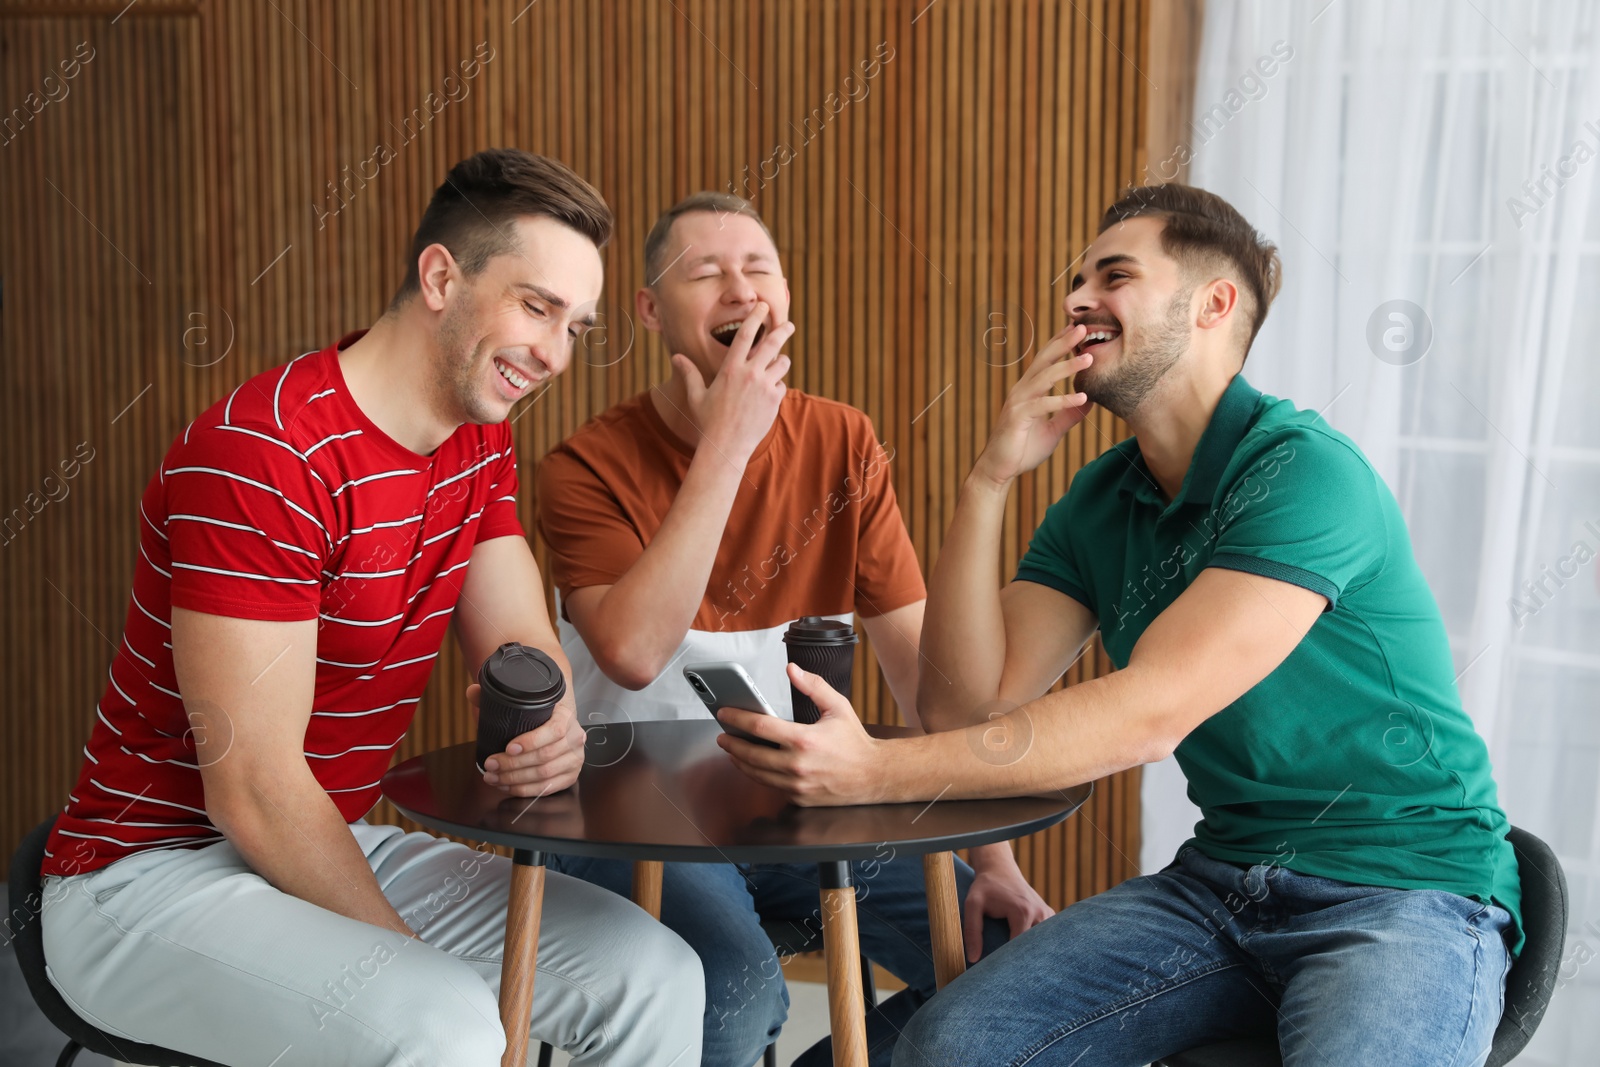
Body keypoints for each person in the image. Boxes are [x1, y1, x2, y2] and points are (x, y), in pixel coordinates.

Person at [716, 183, 1523, 1067]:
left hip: (1404, 893)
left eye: (1115, 275)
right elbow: (965, 708)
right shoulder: (1105, 495)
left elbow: (1151, 712)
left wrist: (872, 772)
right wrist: (991, 476)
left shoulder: (1303, 474)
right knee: (949, 1047)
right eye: (1076, 278)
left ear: (1213, 305)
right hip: (1221, 886)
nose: (1074, 299)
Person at [39, 148, 703, 1067]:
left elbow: (520, 651)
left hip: (331, 836)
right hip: (148, 875)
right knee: (442, 1021)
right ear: (441, 276)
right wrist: (406, 956)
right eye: (536, 306)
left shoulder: (477, 444)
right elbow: (256, 792)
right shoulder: (265, 454)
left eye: (577, 327)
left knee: (654, 972)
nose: (554, 353)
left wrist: (550, 722)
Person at [532, 191, 1053, 1067]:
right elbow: (629, 653)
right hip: (629, 814)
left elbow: (926, 683)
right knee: (731, 996)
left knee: (1008, 962)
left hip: (797, 805)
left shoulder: (842, 441)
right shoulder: (583, 464)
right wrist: (726, 447)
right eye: (705, 272)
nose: (739, 289)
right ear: (651, 312)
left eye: (758, 269)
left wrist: (990, 857)